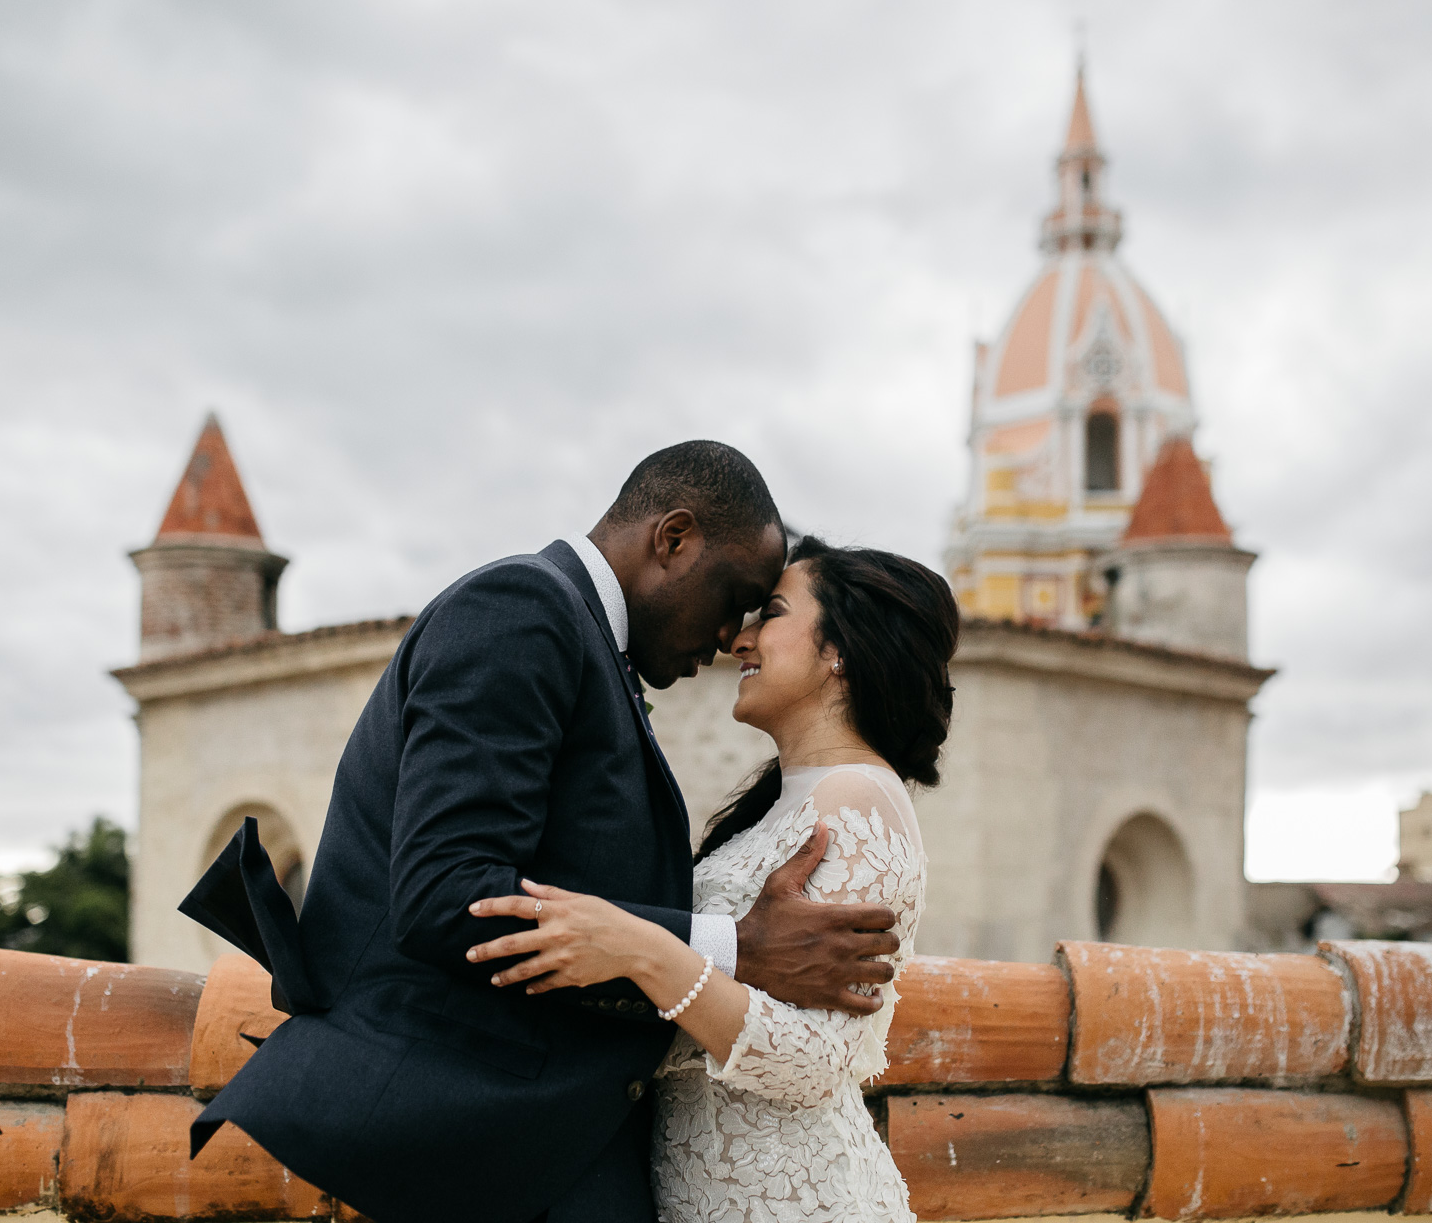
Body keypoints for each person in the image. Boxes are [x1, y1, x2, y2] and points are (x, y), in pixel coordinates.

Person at [182, 442, 903, 1223]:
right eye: (734, 597)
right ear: (674, 538)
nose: (733, 634)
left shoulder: (574, 635)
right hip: (486, 1128)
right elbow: (445, 893)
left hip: (559, 1139)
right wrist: (735, 947)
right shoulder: (521, 610)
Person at [469, 536, 959, 1223]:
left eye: (774, 614)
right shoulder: (781, 807)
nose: (742, 639)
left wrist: (645, 950)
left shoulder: (859, 802)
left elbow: (818, 1061)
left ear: (840, 652)